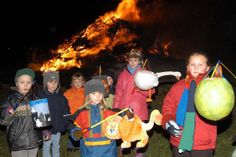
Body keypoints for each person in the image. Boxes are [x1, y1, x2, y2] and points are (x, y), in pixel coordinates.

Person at [161, 51, 216, 157]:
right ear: (187, 67)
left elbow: (219, 109)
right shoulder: (178, 87)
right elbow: (168, 106)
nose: (196, 67)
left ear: (208, 68)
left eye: (200, 65)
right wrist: (168, 121)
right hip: (179, 139)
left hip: (202, 142)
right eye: (192, 64)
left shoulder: (212, 87)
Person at [113, 48, 155, 157]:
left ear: (140, 61)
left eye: (135, 60)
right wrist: (116, 107)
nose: (132, 63)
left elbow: (151, 92)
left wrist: (141, 89)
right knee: (124, 128)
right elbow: (118, 92)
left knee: (139, 130)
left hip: (138, 107)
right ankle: (122, 149)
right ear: (128, 60)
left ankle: (139, 152)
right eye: (131, 60)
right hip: (125, 107)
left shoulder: (145, 74)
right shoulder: (123, 74)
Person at [0, 68, 43, 157]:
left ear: (32, 84)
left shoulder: (36, 99)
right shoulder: (10, 101)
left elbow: (41, 120)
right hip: (17, 141)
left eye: (28, 82)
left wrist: (45, 130)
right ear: (16, 83)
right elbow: (3, 121)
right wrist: (8, 113)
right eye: (22, 82)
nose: (26, 85)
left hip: (33, 140)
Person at [70, 78, 117, 157]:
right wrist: (75, 132)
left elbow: (120, 121)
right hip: (89, 150)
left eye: (100, 93)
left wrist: (127, 115)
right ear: (88, 95)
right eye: (94, 93)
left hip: (108, 150)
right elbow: (72, 123)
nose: (98, 96)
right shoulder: (81, 112)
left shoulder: (108, 111)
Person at [38, 70, 70, 157]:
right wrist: (44, 129)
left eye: (55, 82)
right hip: (47, 128)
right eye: (50, 82)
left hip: (58, 126)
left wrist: (67, 122)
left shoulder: (61, 97)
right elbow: (39, 113)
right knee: (47, 146)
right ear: (45, 83)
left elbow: (66, 110)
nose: (53, 84)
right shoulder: (40, 96)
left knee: (56, 146)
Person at [64, 71, 85, 151]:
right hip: (71, 116)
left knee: (81, 131)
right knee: (71, 130)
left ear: (83, 82)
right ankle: (70, 145)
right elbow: (63, 102)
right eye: (75, 81)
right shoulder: (68, 93)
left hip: (81, 116)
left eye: (79, 81)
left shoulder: (85, 92)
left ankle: (81, 146)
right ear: (72, 83)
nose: (77, 83)